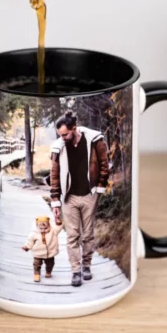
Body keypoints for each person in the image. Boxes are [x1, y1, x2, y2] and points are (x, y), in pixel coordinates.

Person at [50, 112, 109, 287]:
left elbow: (104, 165)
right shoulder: (59, 147)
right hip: (69, 197)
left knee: (88, 234)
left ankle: (87, 266)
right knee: (72, 236)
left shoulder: (94, 140)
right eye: (60, 135)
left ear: (74, 129)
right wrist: (55, 201)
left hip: (89, 194)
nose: (62, 138)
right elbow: (54, 175)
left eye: (65, 134)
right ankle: (75, 271)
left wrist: (99, 190)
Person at [22, 216, 63, 283]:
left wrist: (59, 222)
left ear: (49, 224)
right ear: (37, 226)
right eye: (41, 228)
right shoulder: (34, 234)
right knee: (36, 264)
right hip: (38, 253)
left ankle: (48, 272)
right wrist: (27, 247)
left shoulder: (53, 231)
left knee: (50, 264)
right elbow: (30, 241)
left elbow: (59, 227)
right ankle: (36, 274)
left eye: (45, 227)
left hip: (50, 253)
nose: (43, 229)